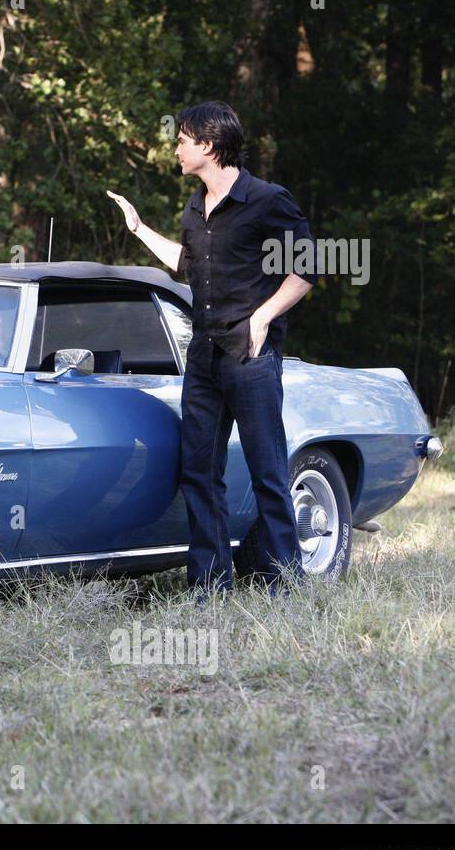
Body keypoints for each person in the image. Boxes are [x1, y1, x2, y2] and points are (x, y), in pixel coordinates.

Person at [107, 101, 319, 596]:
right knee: (199, 471)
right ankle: (209, 584)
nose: (176, 148)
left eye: (182, 139)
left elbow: (307, 267)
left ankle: (282, 581)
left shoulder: (267, 200)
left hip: (250, 357)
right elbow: (185, 262)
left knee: (268, 470)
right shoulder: (194, 205)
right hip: (202, 358)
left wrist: (263, 317)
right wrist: (139, 230)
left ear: (207, 144)